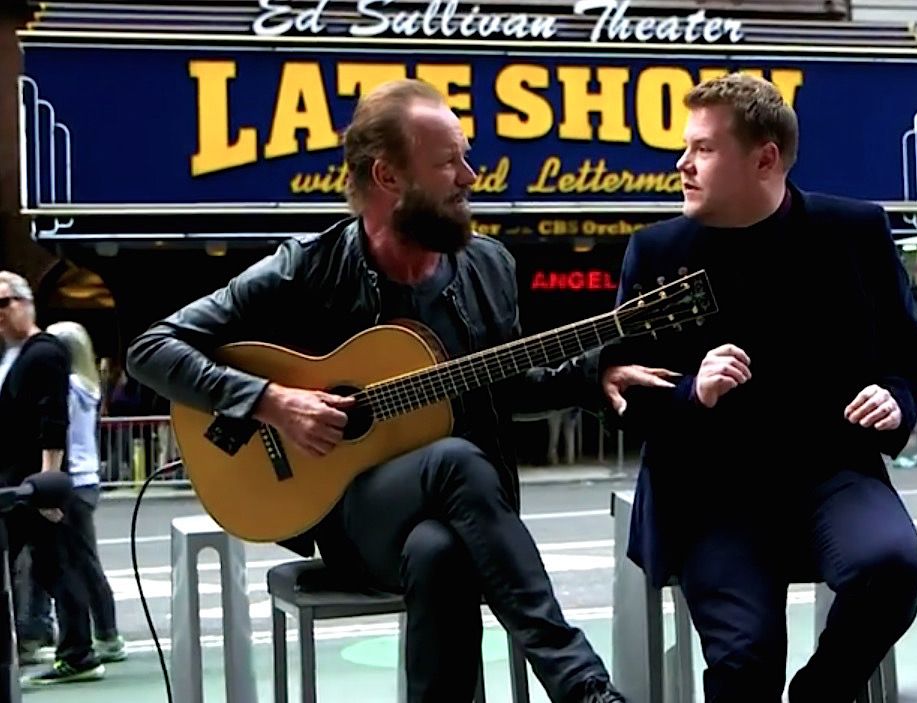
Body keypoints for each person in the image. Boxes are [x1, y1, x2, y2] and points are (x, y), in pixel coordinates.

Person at [126, 79, 669, 703]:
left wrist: (590, 377)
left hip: (459, 514)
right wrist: (273, 401)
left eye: (465, 158)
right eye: (447, 164)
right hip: (346, 517)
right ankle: (582, 686)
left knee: (441, 551)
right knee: (458, 461)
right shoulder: (307, 265)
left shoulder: (488, 267)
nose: (469, 176)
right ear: (388, 177)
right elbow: (151, 350)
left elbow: (505, 384)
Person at [598, 73, 917, 703]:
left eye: (703, 148)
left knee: (894, 567)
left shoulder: (854, 230)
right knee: (745, 658)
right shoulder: (655, 252)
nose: (682, 163)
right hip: (710, 490)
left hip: (832, 469)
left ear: (765, 158)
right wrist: (693, 393)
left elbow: (908, 351)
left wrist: (896, 396)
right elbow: (626, 396)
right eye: (687, 147)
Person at [0, 271, 105, 685]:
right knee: (52, 568)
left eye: (5, 303)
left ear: (26, 304)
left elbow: (53, 419)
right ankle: (76, 650)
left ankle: (79, 651)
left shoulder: (44, 353)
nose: (0, 314)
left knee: (57, 568)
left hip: (34, 487)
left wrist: (49, 483)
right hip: (24, 486)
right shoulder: (19, 355)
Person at [17, 321, 126, 666]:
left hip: (70, 481)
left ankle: (94, 635)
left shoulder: (67, 386)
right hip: (85, 480)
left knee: (68, 562)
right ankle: (99, 632)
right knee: (76, 561)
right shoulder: (88, 385)